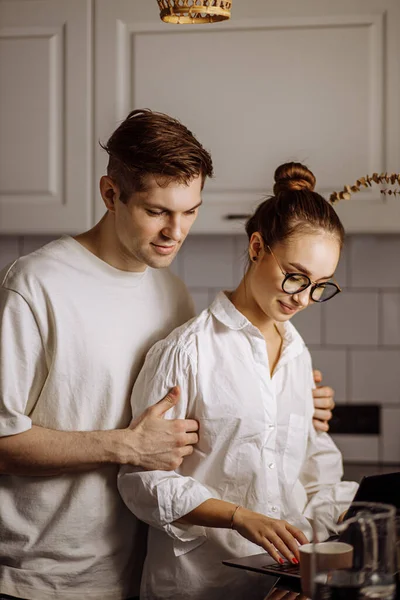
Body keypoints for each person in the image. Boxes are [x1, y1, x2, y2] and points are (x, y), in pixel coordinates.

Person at [0, 108, 334, 600]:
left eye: (190, 210)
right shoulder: (36, 284)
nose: (176, 231)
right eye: (157, 211)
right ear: (111, 194)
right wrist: (123, 446)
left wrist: (290, 405)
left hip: (136, 571)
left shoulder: (172, 292)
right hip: (41, 578)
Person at [118, 162, 358, 600]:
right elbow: (142, 482)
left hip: (281, 587)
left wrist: (314, 553)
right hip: (201, 586)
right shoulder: (186, 351)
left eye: (321, 286)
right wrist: (237, 516)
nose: (303, 298)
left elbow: (314, 462)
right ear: (256, 246)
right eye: (295, 275)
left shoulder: (296, 352)